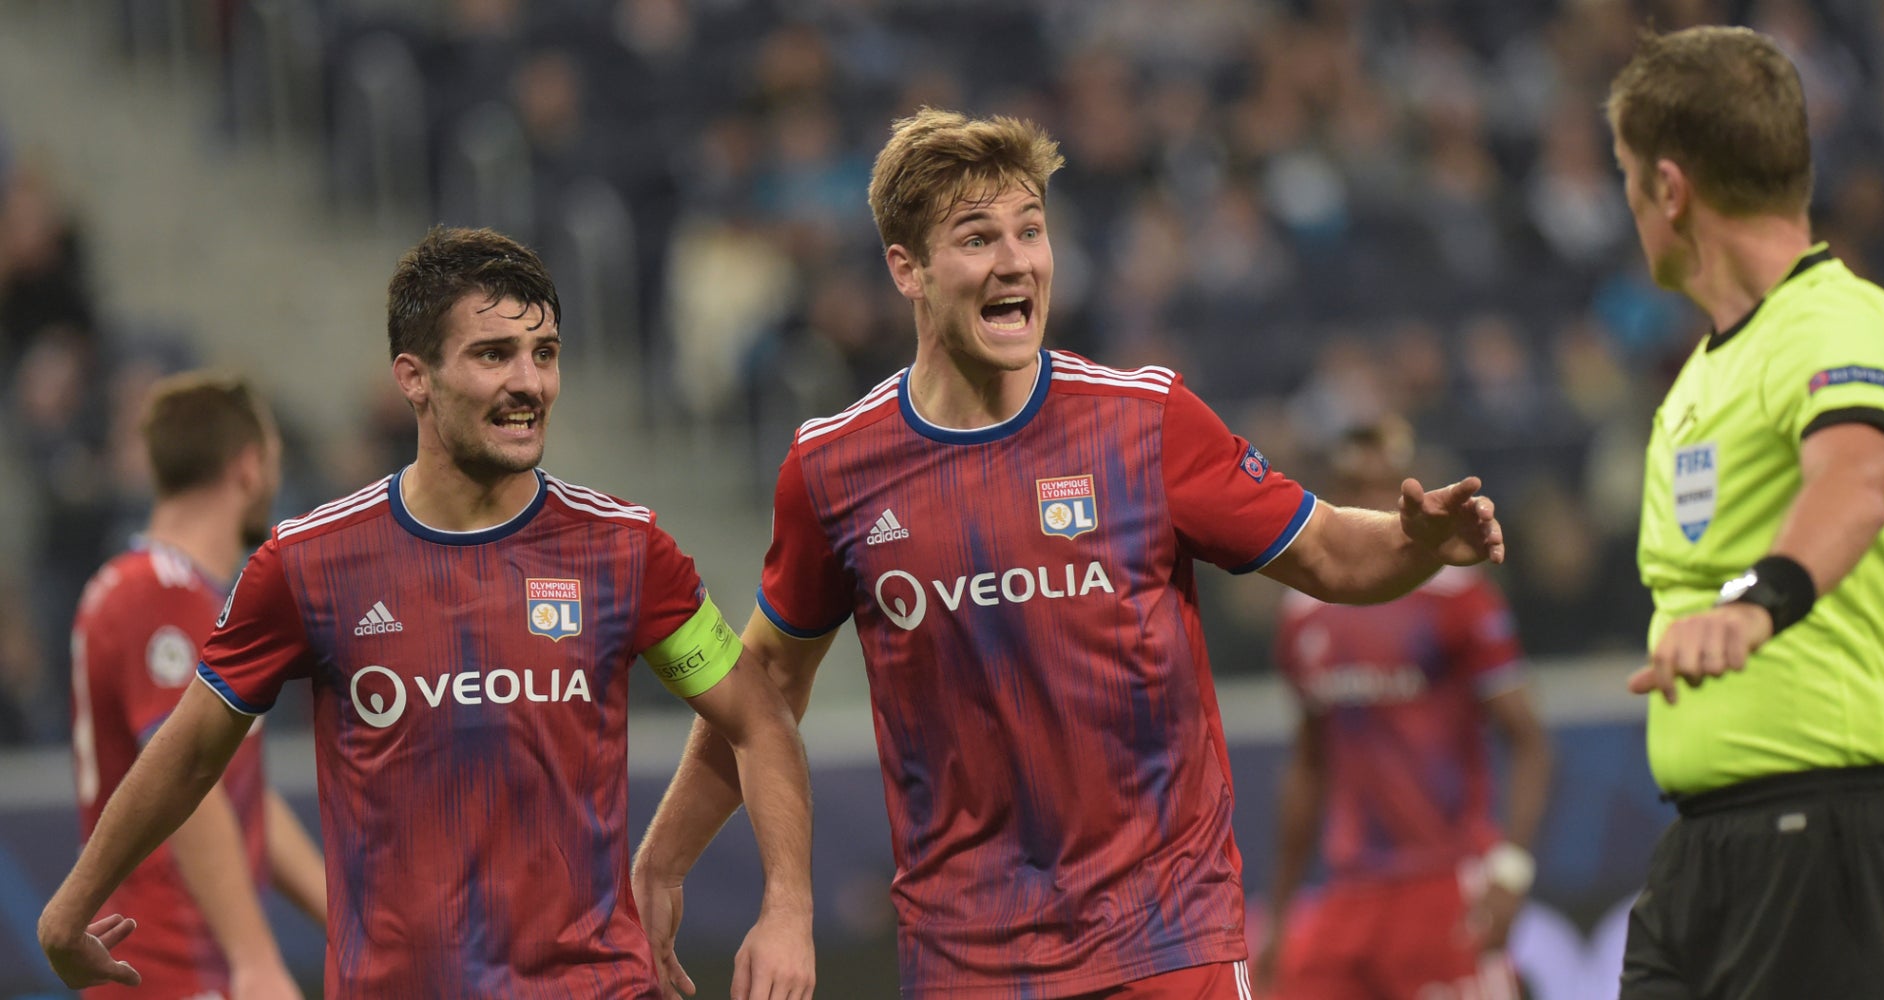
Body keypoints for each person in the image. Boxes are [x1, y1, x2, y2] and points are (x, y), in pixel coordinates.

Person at [638, 108, 1503, 999]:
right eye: (977, 238)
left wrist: (1413, 543)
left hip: (1167, 939)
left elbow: (1325, 550)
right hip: (967, 960)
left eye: (1031, 231)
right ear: (908, 270)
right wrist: (664, 863)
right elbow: (763, 685)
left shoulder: (1145, 422)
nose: (1016, 261)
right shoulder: (832, 469)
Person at [38, 227, 817, 999]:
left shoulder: (625, 549)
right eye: (493, 355)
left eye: (544, 353)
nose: (530, 383)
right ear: (414, 377)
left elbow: (756, 716)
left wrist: (785, 908)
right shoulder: (307, 564)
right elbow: (192, 754)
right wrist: (71, 909)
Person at [1609, 26, 1884, 999]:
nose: (1630, 207)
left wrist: (1752, 604)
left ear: (1669, 190)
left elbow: (1848, 482)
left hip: (1830, 834)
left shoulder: (1837, 320)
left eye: (1627, 181)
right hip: (1704, 852)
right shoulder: (1707, 369)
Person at [1256, 419, 1551, 1000]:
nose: (1366, 502)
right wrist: (1283, 908)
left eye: (1380, 487)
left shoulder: (1458, 598)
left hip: (1445, 880)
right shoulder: (1303, 614)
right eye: (1350, 488)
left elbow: (1530, 741)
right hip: (1350, 890)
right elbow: (1310, 766)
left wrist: (1511, 870)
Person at [68, 372, 327, 999]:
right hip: (165, 963)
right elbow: (187, 782)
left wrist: (346, 919)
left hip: (176, 963)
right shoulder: (162, 591)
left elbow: (230, 788)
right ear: (247, 467)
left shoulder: (154, 589)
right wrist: (257, 958)